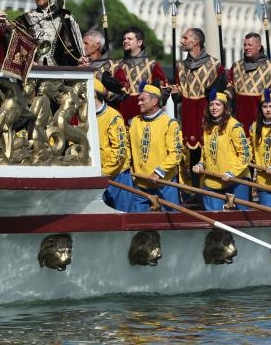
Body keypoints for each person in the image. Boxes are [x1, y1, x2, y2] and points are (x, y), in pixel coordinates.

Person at [170, 28, 225, 181]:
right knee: (191, 157)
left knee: (209, 152)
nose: (182, 41)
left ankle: (209, 185)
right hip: (187, 117)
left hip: (207, 115)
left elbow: (224, 91)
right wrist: (176, 93)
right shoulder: (180, 66)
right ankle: (194, 190)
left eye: (185, 38)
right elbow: (178, 97)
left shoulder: (214, 65)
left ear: (196, 41)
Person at [125, 83, 183, 212]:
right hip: (140, 185)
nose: (138, 103)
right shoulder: (134, 122)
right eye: (139, 100)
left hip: (165, 184)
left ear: (154, 101)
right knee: (138, 226)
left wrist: (158, 172)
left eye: (142, 99)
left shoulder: (169, 123)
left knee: (172, 224)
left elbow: (176, 154)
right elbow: (128, 149)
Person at [192, 91, 251, 211]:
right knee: (216, 221)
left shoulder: (234, 125)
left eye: (218, 104)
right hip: (212, 180)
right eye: (211, 104)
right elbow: (206, 152)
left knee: (241, 218)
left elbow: (246, 154)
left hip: (236, 180)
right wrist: (201, 163)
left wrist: (232, 173)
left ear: (225, 107)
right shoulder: (207, 125)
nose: (214, 107)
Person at [15, 0, 85, 66]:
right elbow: (19, 44)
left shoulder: (64, 17)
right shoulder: (25, 19)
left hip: (58, 70)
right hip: (33, 70)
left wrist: (78, 59)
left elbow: (70, 47)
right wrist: (27, 60)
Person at [226, 32, 271, 131]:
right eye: (245, 45)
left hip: (262, 120)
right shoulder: (236, 66)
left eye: (250, 45)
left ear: (259, 47)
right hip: (239, 118)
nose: (247, 47)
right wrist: (222, 98)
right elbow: (230, 87)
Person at [112, 27, 168, 123]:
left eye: (129, 39)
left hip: (146, 116)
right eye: (124, 39)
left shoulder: (152, 65)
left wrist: (153, 108)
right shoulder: (117, 65)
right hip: (122, 116)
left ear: (139, 42)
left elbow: (164, 90)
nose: (125, 41)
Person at [95, 76, 132, 211]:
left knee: (123, 215)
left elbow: (120, 151)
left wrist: (104, 173)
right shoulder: (85, 116)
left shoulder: (113, 117)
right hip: (98, 176)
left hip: (118, 175)